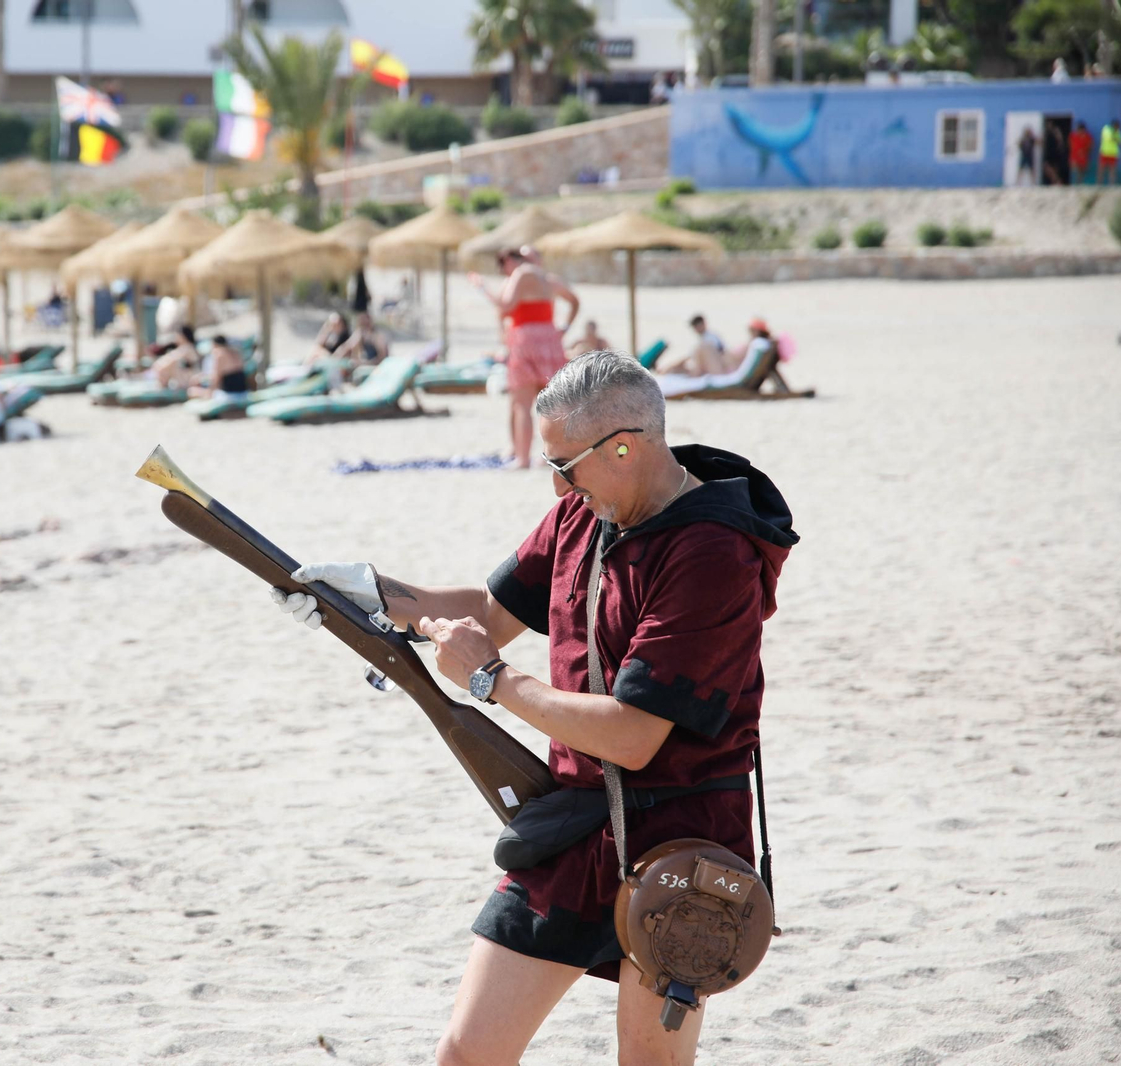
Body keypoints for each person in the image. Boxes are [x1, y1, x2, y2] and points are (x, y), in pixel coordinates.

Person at [269, 350, 797, 1066]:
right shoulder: (587, 509)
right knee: (467, 1053)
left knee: (650, 1064)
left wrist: (491, 680)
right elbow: (490, 611)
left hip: (685, 841)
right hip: (574, 826)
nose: (555, 487)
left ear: (624, 446)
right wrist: (366, 595)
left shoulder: (713, 553)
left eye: (563, 465)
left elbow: (635, 735)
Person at [469, 246, 581, 469]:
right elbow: (574, 301)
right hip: (549, 339)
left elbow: (505, 307)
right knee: (552, 403)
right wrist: (564, 327)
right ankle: (550, 456)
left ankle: (521, 457)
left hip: (525, 340)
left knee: (521, 402)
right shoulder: (548, 280)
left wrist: (482, 288)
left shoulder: (521, 275)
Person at [1101, 119, 1121, 186]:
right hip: (1105, 152)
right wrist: (1115, 137)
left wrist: (1115, 137)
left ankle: (1112, 184)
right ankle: (1099, 184)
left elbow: (1120, 141)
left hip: (1113, 153)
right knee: (1102, 169)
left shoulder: (1117, 131)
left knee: (1112, 169)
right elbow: (1110, 138)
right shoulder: (1106, 129)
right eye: (1117, 126)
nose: (1118, 127)